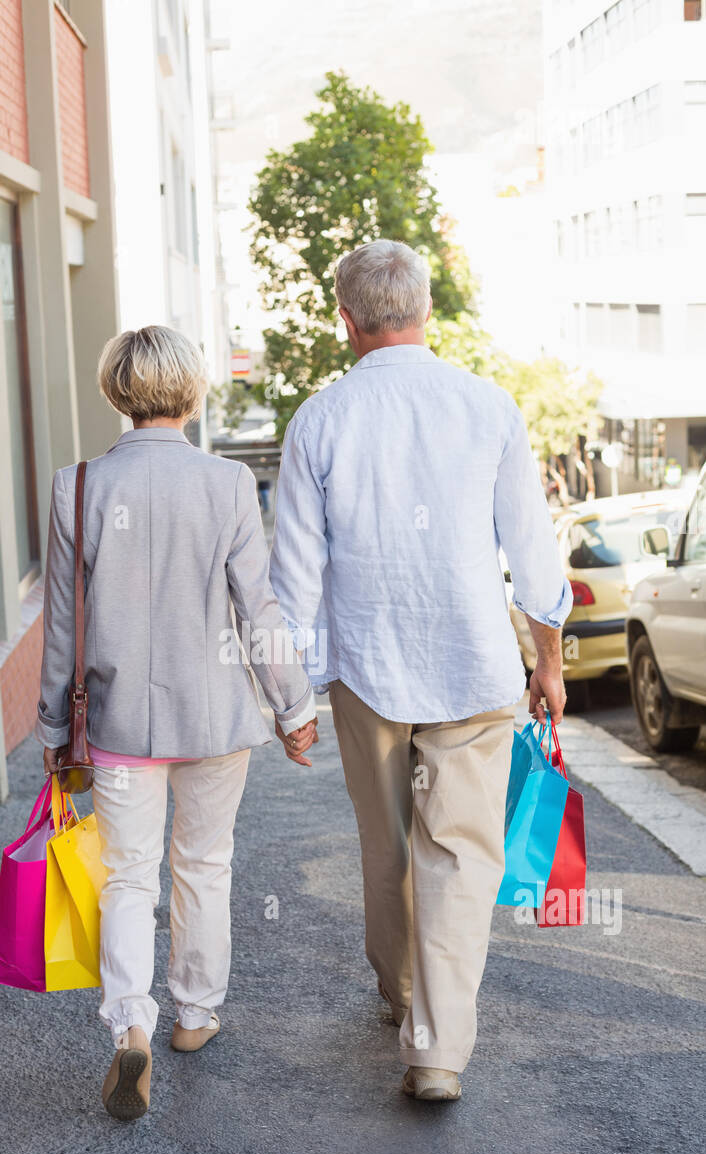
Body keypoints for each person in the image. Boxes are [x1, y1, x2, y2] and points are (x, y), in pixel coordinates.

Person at [270, 240, 573, 1103]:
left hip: (366, 673)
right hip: (475, 666)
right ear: (426, 311)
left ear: (347, 319)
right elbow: (534, 553)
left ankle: (400, 994)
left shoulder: (319, 421)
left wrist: (290, 700)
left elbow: (291, 581)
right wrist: (547, 664)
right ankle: (435, 1049)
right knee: (460, 855)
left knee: (389, 847)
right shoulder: (487, 406)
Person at [37, 325, 317, 1122]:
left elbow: (63, 621)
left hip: (120, 719)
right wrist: (293, 706)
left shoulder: (78, 486)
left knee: (127, 875)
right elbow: (257, 609)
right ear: (191, 394)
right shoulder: (227, 483)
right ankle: (195, 1013)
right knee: (204, 863)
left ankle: (133, 1022)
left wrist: (55, 727)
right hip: (217, 717)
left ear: (116, 393)